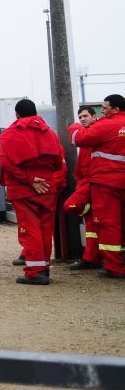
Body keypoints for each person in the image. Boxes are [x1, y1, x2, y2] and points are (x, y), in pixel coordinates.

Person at [0, 98, 67, 285]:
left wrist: (30, 179)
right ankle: (43, 267)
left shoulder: (10, 134)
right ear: (36, 113)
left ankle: (35, 272)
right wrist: (40, 177)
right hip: (47, 186)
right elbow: (57, 161)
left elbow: (6, 163)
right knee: (45, 229)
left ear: (17, 115)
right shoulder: (50, 133)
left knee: (30, 230)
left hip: (23, 188)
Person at [71, 94, 125, 279]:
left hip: (106, 182)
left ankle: (113, 266)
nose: (102, 110)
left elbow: (79, 138)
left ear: (115, 109)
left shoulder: (107, 124)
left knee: (108, 224)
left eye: (105, 107)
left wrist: (75, 126)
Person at [63, 106, 101, 270]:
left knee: (70, 206)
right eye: (80, 117)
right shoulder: (87, 134)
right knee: (91, 224)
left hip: (95, 182)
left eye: (85, 116)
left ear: (94, 116)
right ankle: (91, 257)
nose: (82, 119)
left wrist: (74, 126)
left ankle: (100, 257)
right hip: (87, 182)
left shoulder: (97, 131)